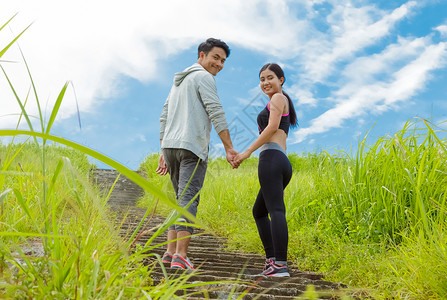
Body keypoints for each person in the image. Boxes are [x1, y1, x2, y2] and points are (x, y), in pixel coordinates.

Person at [156, 38, 238, 270]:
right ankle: (181, 255)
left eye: (223, 61)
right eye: (215, 57)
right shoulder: (204, 77)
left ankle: (170, 253)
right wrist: (229, 147)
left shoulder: (178, 82)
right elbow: (215, 110)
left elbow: (164, 116)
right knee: (189, 198)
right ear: (201, 55)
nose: (219, 64)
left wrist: (163, 149)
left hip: (171, 147)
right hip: (191, 147)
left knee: (180, 199)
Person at [233, 63, 297, 277]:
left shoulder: (278, 98)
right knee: (259, 212)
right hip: (280, 160)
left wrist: (246, 152)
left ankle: (280, 264)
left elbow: (271, 128)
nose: (265, 82)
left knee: (276, 211)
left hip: (271, 158)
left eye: (270, 77)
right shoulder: (279, 100)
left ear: (281, 79)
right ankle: (273, 261)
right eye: (262, 79)